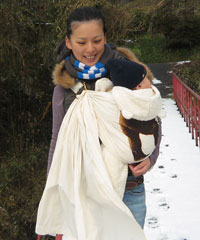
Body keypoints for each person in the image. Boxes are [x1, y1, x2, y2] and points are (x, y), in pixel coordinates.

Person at [36, 6, 162, 239]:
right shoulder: (63, 89)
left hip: (129, 189)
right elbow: (58, 142)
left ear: (105, 37)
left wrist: (151, 159)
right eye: (82, 42)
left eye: (97, 40)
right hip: (84, 196)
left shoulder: (129, 72)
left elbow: (151, 117)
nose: (91, 48)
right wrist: (55, 200)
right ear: (69, 42)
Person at [95, 58, 164, 199]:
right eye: (146, 79)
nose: (150, 82)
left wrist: (151, 159)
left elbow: (156, 127)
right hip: (98, 183)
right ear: (138, 86)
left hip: (135, 185)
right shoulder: (104, 102)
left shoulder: (127, 66)